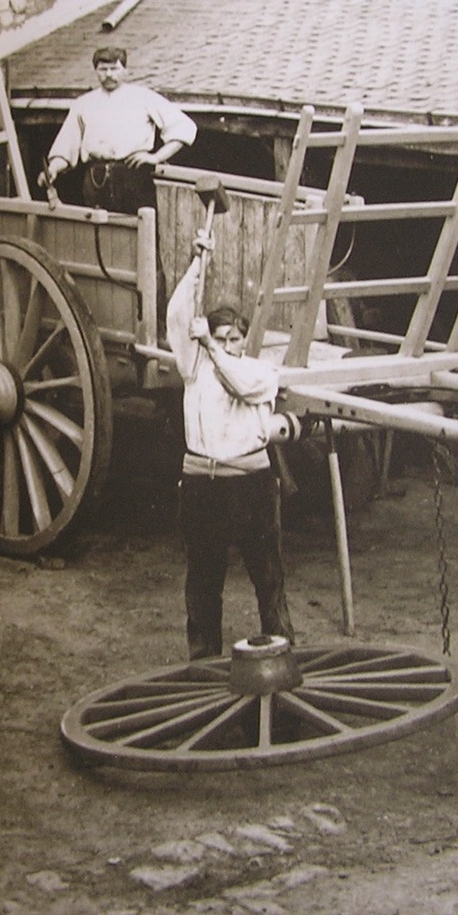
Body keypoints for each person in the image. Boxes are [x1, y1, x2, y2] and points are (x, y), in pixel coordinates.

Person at [166, 231, 293, 659]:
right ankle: (203, 672)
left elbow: (234, 380)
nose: (226, 345)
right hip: (203, 487)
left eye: (233, 338)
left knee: (268, 579)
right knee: (203, 583)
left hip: (250, 485)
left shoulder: (260, 372)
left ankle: (282, 667)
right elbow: (177, 315)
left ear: (244, 340)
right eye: (219, 337)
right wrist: (198, 263)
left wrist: (208, 344)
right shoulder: (193, 368)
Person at [37, 46, 197, 214]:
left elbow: (184, 127)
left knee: (141, 229)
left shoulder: (143, 97)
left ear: (125, 70)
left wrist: (156, 157)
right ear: (95, 71)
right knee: (98, 231)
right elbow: (67, 145)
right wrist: (53, 169)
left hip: (134, 176)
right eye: (103, 69)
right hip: (96, 179)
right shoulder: (83, 104)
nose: (109, 74)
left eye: (114, 69)